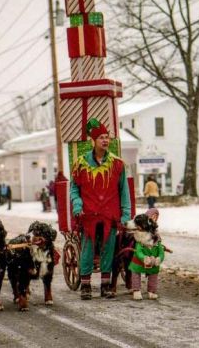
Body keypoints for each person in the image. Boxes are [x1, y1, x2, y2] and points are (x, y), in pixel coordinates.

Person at [70, 118, 131, 300]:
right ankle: (86, 286)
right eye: (101, 137)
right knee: (88, 249)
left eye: (107, 137)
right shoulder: (81, 163)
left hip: (109, 215)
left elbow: (124, 190)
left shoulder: (117, 164)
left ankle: (105, 286)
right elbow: (74, 188)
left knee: (108, 248)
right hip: (88, 215)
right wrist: (77, 205)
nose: (105, 140)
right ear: (93, 141)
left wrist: (125, 213)